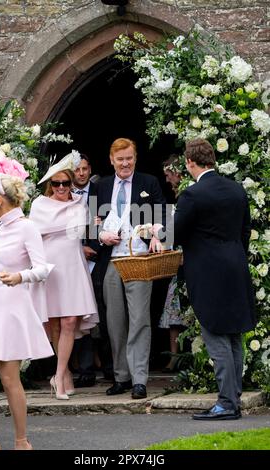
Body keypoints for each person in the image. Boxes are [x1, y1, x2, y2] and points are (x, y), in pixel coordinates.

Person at [0, 161, 54, 450]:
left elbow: (42, 269)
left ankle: (21, 441)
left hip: (12, 308)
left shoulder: (27, 228)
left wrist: (19, 276)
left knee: (8, 377)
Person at [173, 138, 256, 420]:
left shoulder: (192, 195)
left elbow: (175, 234)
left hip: (207, 273)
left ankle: (227, 403)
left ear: (190, 163)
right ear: (213, 159)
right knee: (233, 336)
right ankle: (232, 399)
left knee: (215, 334)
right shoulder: (236, 190)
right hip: (236, 267)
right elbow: (245, 231)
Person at [95, 138, 167, 399]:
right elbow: (92, 223)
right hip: (112, 259)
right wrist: (100, 236)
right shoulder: (100, 186)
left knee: (139, 319)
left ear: (135, 158)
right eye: (120, 159)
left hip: (138, 258)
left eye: (129, 158)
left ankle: (139, 379)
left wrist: (158, 234)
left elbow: (161, 214)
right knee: (114, 322)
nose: (125, 163)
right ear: (111, 160)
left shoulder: (148, 183)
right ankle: (121, 376)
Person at [29, 152, 99, 400]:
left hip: (72, 265)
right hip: (50, 266)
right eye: (56, 183)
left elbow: (80, 229)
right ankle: (64, 373)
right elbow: (33, 234)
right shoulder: (39, 204)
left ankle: (58, 375)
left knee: (71, 321)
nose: (61, 188)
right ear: (51, 184)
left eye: (65, 183)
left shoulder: (80, 203)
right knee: (55, 322)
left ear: (72, 183)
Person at [71, 154, 114, 387]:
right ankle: (85, 370)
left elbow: (108, 220)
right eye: (77, 169)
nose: (81, 173)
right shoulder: (63, 191)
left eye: (85, 169)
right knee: (79, 314)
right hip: (73, 259)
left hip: (98, 258)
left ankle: (109, 366)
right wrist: (78, 247)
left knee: (105, 312)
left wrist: (94, 246)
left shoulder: (101, 190)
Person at [158, 157, 186, 372]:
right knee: (173, 309)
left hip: (191, 259)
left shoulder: (189, 193)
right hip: (177, 261)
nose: (167, 179)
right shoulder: (176, 194)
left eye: (169, 174)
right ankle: (174, 357)